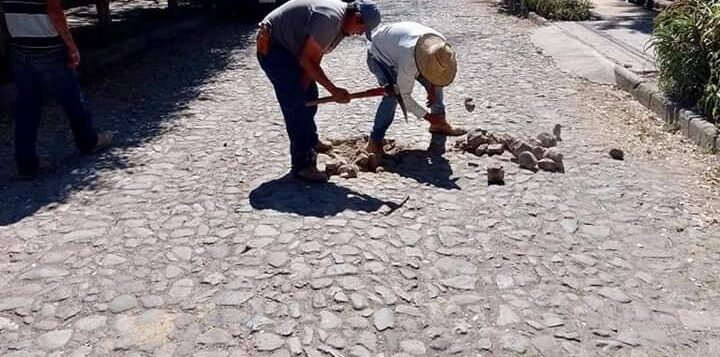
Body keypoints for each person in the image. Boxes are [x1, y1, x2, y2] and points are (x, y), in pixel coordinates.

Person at [257, 0, 381, 183]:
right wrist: (334, 90)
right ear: (356, 17)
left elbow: (315, 55)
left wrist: (305, 85)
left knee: (309, 97)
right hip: (275, 48)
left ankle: (311, 141)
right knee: (296, 107)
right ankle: (303, 165)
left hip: (294, 50)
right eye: (361, 29)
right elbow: (308, 60)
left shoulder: (341, 25)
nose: (359, 34)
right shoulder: (329, 19)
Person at [2, 0, 113, 179]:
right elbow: (54, 10)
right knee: (72, 98)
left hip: (19, 48)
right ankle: (89, 141)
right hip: (48, 47)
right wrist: (71, 45)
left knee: (27, 107)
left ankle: (26, 162)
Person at [365, 22, 466, 157]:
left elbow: (438, 73)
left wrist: (432, 87)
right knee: (393, 95)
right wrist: (428, 117)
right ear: (423, 62)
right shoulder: (409, 61)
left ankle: (439, 124)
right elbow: (405, 96)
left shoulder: (441, 47)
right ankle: (374, 141)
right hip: (380, 54)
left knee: (437, 83)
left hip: (401, 44)